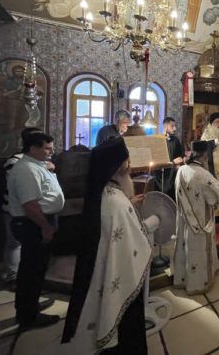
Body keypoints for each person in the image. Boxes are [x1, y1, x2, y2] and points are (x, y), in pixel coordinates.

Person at [61, 138, 151, 354]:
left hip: (102, 272)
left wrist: (130, 204)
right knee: (128, 329)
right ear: (120, 165)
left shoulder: (104, 192)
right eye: (127, 159)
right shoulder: (116, 202)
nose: (129, 163)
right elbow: (133, 240)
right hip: (122, 274)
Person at [7, 132, 64, 329]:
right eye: (47, 149)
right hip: (32, 224)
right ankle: (28, 316)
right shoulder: (26, 170)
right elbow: (30, 204)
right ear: (32, 148)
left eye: (52, 148)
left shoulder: (36, 165)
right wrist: (45, 226)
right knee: (31, 271)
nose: (51, 152)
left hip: (37, 223)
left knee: (36, 269)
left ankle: (30, 305)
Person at [0, 127, 51, 283]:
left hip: (38, 210)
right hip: (16, 210)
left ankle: (29, 276)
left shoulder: (42, 161)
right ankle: (14, 277)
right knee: (15, 244)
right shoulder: (14, 161)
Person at [173, 141, 219, 294]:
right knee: (199, 250)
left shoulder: (182, 170)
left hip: (185, 220)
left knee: (187, 247)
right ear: (205, 156)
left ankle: (183, 279)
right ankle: (199, 283)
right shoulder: (203, 175)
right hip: (201, 221)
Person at [155, 116, 184, 199]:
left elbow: (180, 155)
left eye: (175, 126)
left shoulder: (176, 140)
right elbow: (157, 160)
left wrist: (180, 162)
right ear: (165, 126)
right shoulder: (157, 140)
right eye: (172, 126)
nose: (175, 129)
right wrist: (173, 162)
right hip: (160, 177)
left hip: (173, 175)